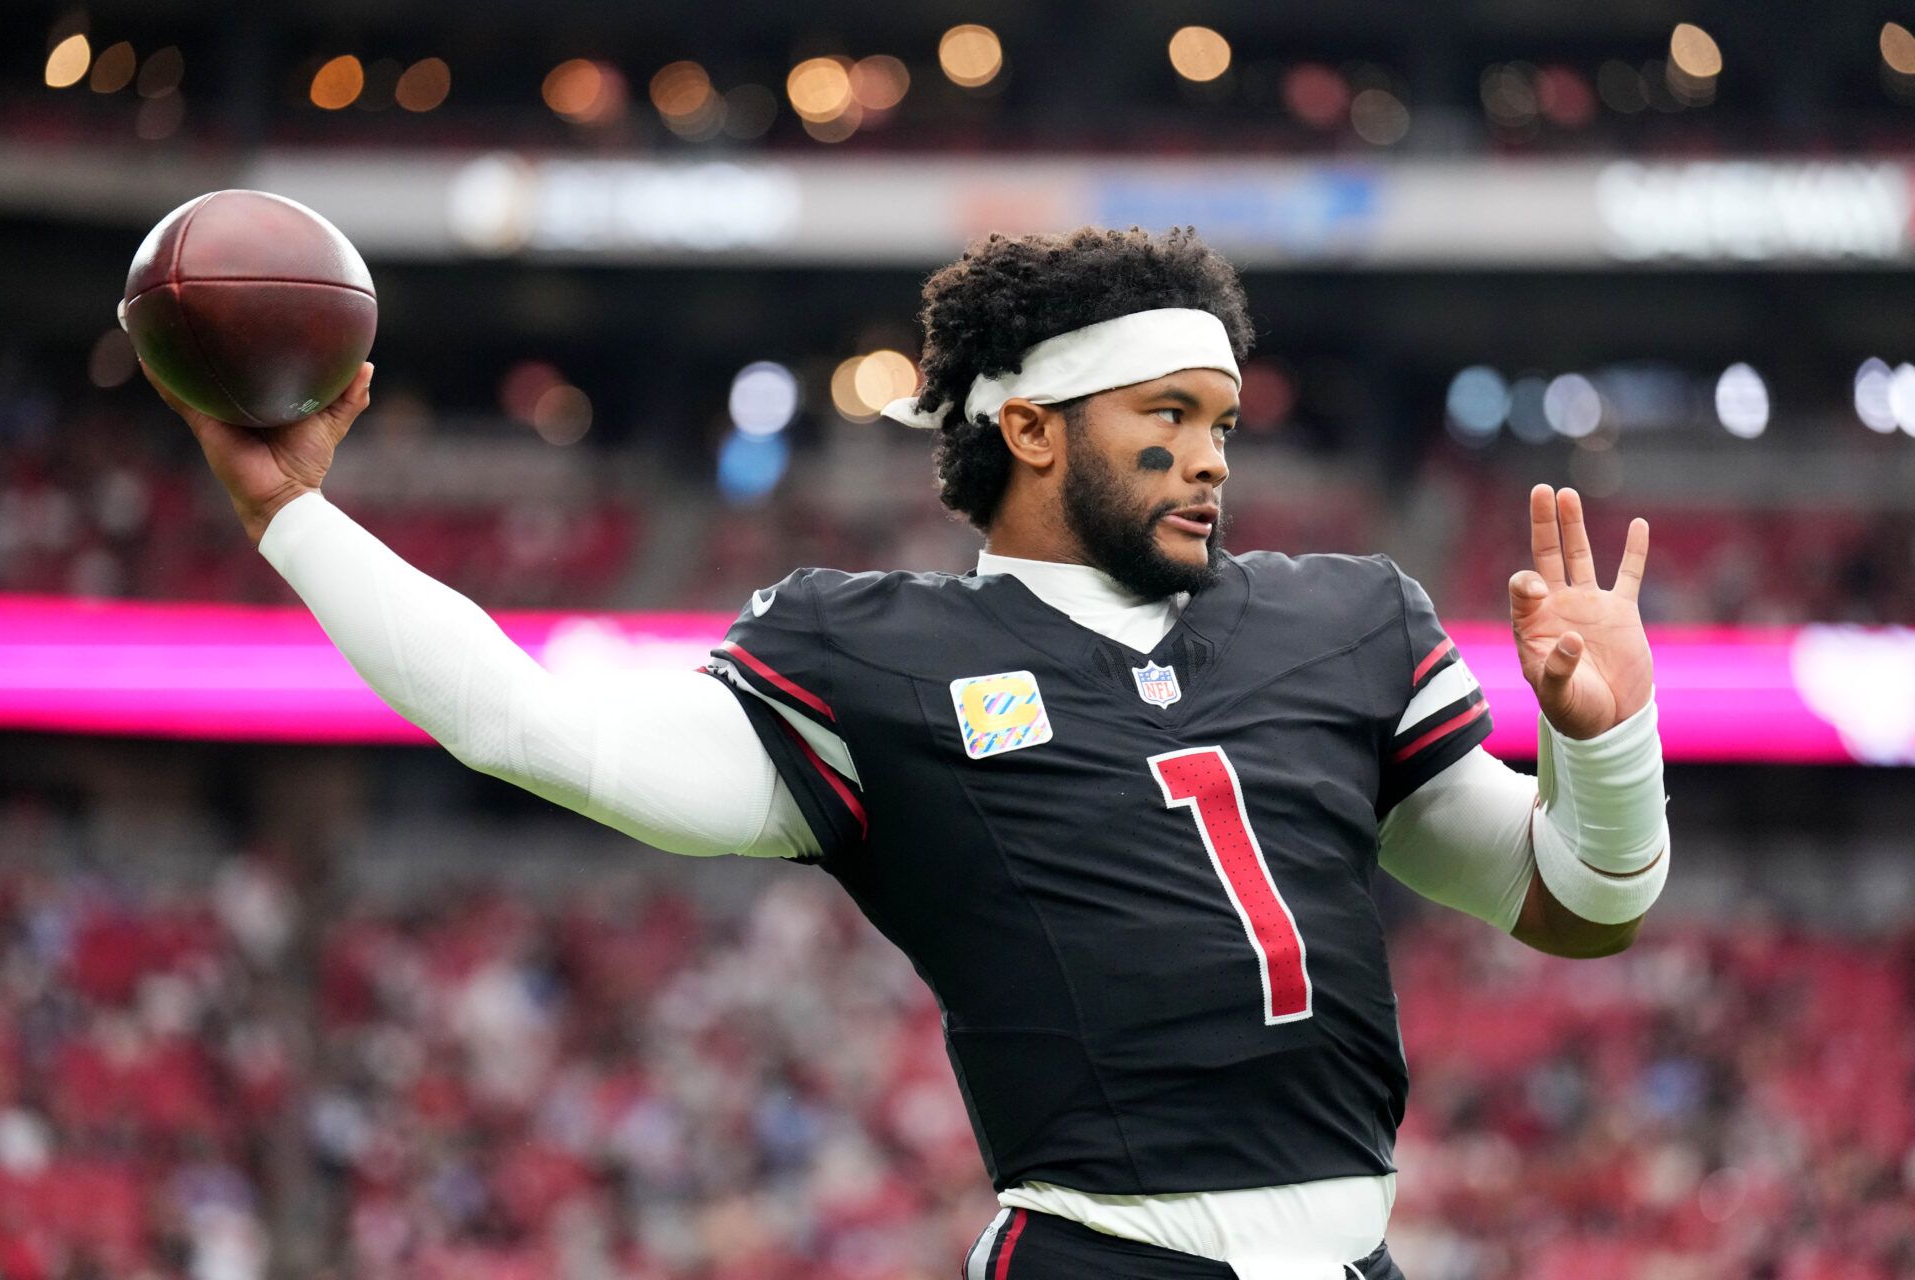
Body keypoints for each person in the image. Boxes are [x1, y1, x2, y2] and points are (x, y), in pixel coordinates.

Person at [147, 226, 1669, 1280]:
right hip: (1104, 1256)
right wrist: (297, 518)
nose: (1213, 455)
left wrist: (1605, 743)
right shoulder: (876, 656)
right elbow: (528, 725)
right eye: (1168, 414)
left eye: (1224, 419)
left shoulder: (1343, 619)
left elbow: (1582, 906)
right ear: (1032, 427)